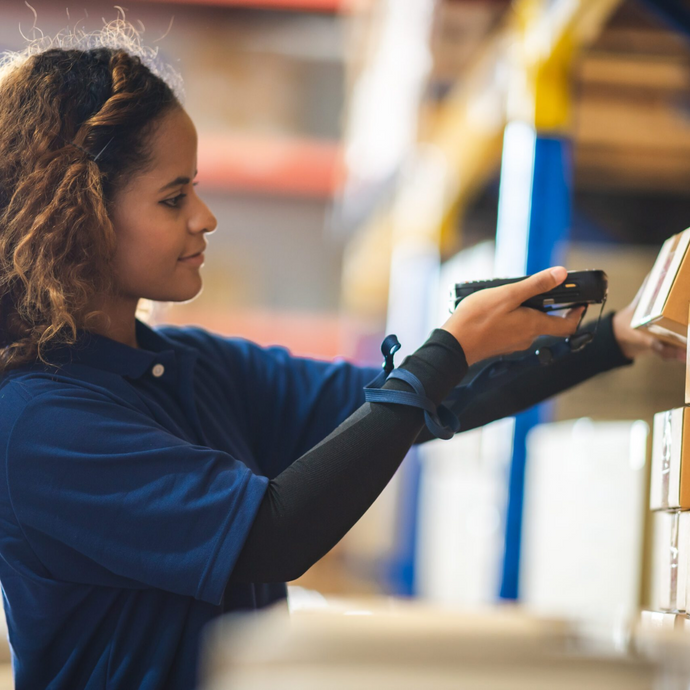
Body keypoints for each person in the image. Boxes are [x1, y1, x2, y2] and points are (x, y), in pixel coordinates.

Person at [0, 24, 682, 690]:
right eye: (175, 197)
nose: (205, 217)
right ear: (78, 214)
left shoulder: (188, 367)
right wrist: (449, 348)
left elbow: (403, 406)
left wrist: (614, 336)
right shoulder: (39, 421)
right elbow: (272, 536)